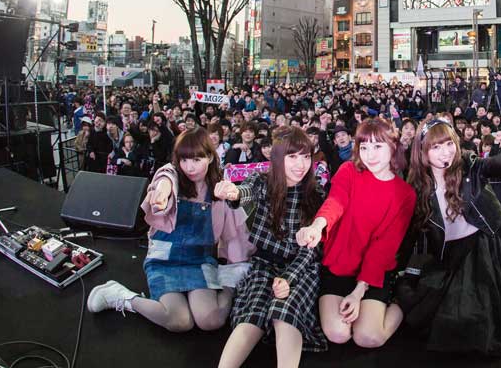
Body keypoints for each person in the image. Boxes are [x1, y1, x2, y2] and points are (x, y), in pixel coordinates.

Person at [398, 119, 501, 356]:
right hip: (449, 257)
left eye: (448, 144)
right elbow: (410, 233)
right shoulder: (418, 187)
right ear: (423, 151)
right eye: (436, 147)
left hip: (483, 246)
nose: (445, 152)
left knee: (491, 307)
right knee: (448, 312)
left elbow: (498, 163)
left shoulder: (467, 165)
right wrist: (397, 268)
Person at [86, 128, 253, 331]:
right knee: (179, 321)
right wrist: (162, 193)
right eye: (184, 160)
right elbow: (165, 178)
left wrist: (235, 268)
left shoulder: (218, 188)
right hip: (164, 261)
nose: (189, 167)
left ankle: (229, 283)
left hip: (198, 262)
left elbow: (234, 230)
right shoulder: (172, 175)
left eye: (196, 159)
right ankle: (122, 296)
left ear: (210, 157)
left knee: (212, 320)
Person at [296, 119, 416, 348]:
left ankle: (401, 303)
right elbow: (335, 202)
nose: (370, 155)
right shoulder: (348, 170)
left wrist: (359, 292)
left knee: (369, 337)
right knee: (338, 334)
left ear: (393, 146)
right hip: (340, 262)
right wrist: (317, 226)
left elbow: (385, 246)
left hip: (374, 271)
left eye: (378, 146)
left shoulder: (405, 194)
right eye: (364, 147)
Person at [215, 127, 327, 367]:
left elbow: (311, 250)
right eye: (293, 156)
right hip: (264, 263)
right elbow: (245, 191)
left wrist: (288, 278)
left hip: (301, 269)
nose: (301, 164)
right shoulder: (262, 181)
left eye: (306, 156)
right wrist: (233, 193)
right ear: (277, 157)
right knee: (252, 316)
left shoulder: (315, 194)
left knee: (284, 314)